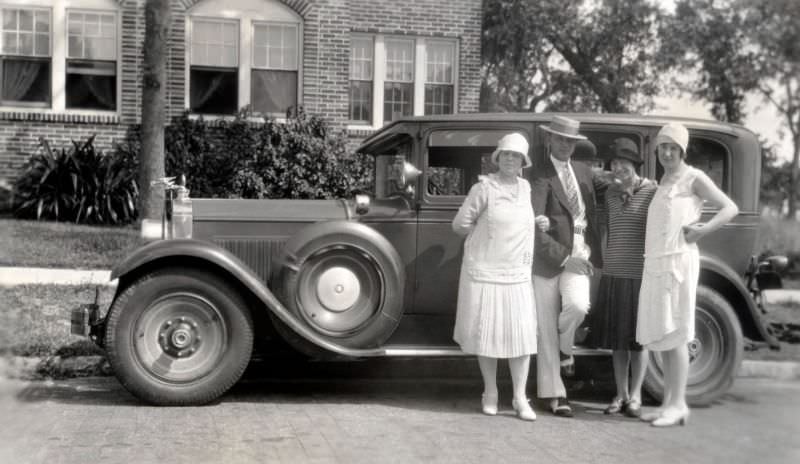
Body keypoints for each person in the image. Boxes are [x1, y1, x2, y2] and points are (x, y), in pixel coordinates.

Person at [636, 123, 739, 427]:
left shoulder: (694, 177)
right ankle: (668, 402)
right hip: (657, 264)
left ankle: (679, 403)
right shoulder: (665, 179)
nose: (667, 152)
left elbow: (729, 207)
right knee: (665, 336)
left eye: (673, 148)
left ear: (682, 150)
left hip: (678, 263)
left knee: (678, 334)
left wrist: (703, 230)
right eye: (663, 147)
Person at [452, 132, 539, 421]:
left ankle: (519, 397)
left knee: (521, 338)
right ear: (498, 158)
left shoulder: (526, 188)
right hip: (487, 271)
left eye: (516, 155)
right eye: (506, 154)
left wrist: (540, 223)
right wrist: (484, 233)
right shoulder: (484, 188)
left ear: (523, 161)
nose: (511, 159)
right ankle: (490, 392)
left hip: (517, 273)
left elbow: (524, 221)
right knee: (487, 335)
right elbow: (460, 225)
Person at [531, 116, 606, 417]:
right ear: (549, 140)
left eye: (571, 141)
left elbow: (614, 186)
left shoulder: (585, 172)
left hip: (581, 254)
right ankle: (555, 395)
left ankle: (566, 350)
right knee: (546, 328)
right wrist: (564, 257)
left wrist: (643, 184)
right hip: (549, 260)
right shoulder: (537, 174)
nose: (566, 145)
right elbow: (534, 227)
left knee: (578, 306)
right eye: (560, 139)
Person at [586, 138, 657, 418]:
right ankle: (620, 394)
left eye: (624, 163)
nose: (618, 169)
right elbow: (589, 174)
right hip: (614, 273)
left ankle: (636, 396)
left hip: (639, 276)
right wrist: (610, 177)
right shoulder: (610, 194)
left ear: (635, 165)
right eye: (614, 164)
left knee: (639, 342)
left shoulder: (652, 192)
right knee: (618, 343)